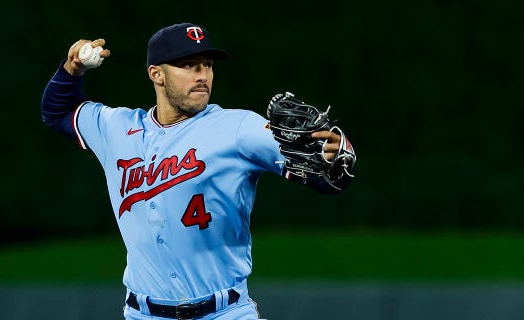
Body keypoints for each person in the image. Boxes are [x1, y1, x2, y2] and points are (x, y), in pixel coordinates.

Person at [41, 22, 355, 320]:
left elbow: (321, 173)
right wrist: (73, 69)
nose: (202, 75)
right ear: (157, 74)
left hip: (226, 311)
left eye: (207, 64)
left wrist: (331, 158)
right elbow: (57, 110)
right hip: (143, 313)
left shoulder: (238, 128)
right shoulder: (117, 129)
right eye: (188, 65)